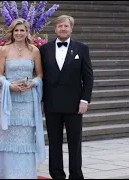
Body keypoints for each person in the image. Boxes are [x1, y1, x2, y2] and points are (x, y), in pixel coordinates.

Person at [0, 18, 46, 179]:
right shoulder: (4, 50)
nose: (19, 33)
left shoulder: (34, 51)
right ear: (12, 32)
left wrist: (32, 84)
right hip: (10, 99)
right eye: (16, 30)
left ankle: (26, 174)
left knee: (26, 136)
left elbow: (40, 74)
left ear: (27, 32)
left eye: (22, 30)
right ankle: (8, 174)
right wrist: (8, 85)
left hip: (28, 100)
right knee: (8, 135)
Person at [39, 15, 94, 179]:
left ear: (71, 28)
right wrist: (41, 99)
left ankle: (76, 175)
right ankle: (56, 175)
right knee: (54, 143)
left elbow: (88, 77)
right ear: (55, 28)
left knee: (74, 143)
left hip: (74, 104)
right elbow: (42, 76)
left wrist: (85, 100)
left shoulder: (82, 48)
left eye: (66, 26)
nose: (63, 29)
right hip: (52, 104)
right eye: (60, 26)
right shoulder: (44, 49)